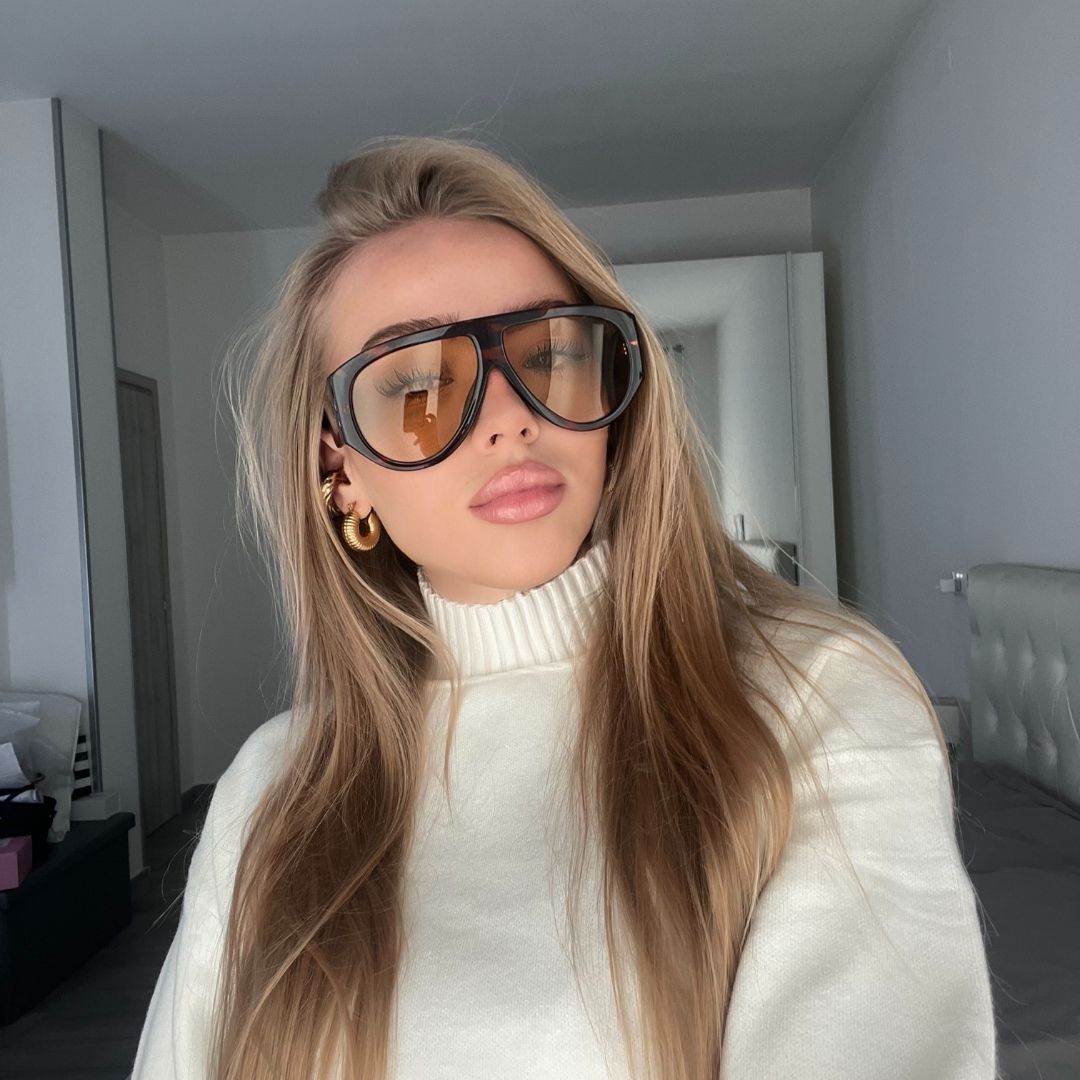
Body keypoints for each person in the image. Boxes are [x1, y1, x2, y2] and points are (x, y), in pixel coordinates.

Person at [131, 135, 998, 1080]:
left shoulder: (814, 699)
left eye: (548, 353)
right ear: (340, 469)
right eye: (418, 384)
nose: (511, 415)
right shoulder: (272, 785)